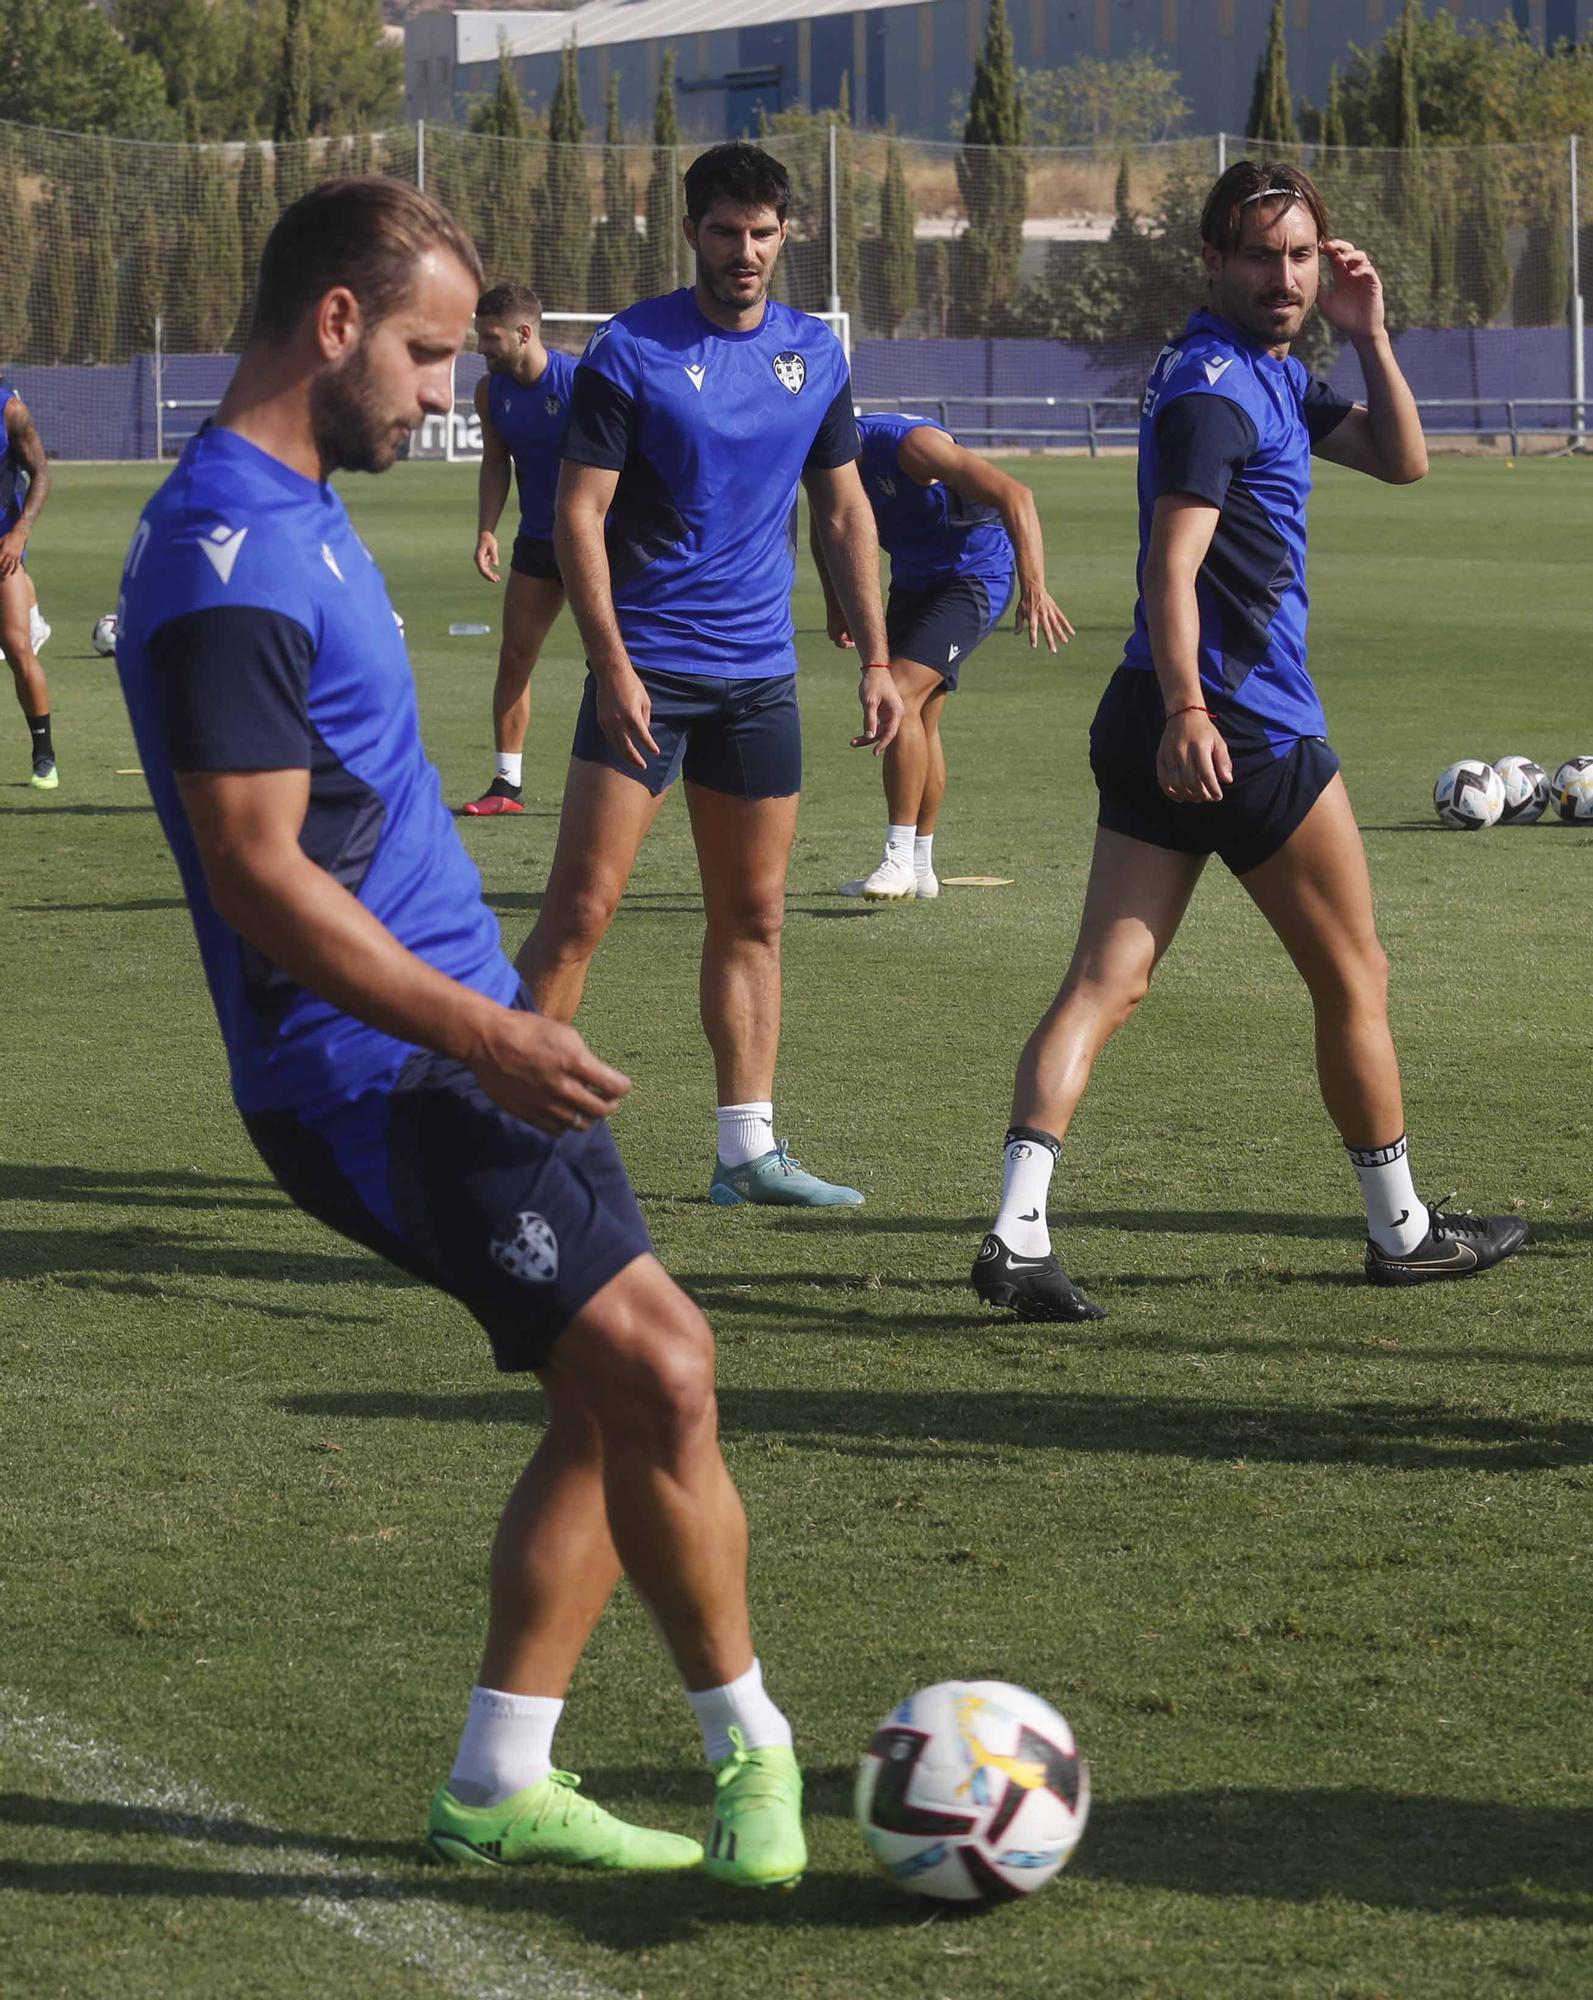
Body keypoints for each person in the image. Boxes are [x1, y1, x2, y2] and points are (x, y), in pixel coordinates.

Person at [114, 178, 806, 1889]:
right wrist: (483, 1041)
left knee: (601, 1403)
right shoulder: (227, 557)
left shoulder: (288, 506)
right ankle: (758, 1754)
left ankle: (500, 1774)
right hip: (380, 1076)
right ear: (336, 323)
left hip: (463, 1038)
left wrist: (499, 1021)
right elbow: (261, 878)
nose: (447, 394)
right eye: (427, 354)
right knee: (662, 1370)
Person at [971, 159, 1528, 1320]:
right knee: (1354, 975)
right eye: (1263, 256)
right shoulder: (1219, 393)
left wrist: (1371, 334)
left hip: (1161, 718)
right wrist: (1190, 711)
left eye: (1304, 256)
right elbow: (1170, 567)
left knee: (1106, 981)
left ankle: (1016, 1230)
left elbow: (1402, 457)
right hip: (1239, 729)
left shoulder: (1266, 369)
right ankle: (1403, 1230)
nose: (1287, 277)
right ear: (1212, 262)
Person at [516, 141, 901, 1209]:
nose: (746, 251)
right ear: (692, 232)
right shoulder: (630, 349)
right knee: (583, 909)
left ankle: (747, 1152)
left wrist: (875, 653)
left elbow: (842, 507)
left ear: (786, 236)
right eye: (727, 230)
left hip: (758, 679)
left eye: (764, 232)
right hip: (648, 672)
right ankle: (493, 1135)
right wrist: (611, 664)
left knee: (755, 914)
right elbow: (577, 514)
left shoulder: (813, 355)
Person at [815, 410, 1074, 901]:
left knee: (901, 698)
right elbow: (826, 526)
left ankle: (896, 856)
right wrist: (835, 603)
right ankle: (920, 866)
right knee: (922, 721)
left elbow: (1016, 495)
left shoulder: (912, 446)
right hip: (913, 583)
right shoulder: (824, 460)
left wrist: (1034, 586)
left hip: (972, 577)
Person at [460, 284, 575, 817]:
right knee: (515, 656)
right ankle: (507, 785)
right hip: (536, 541)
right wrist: (487, 528)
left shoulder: (581, 383)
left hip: (599, 544)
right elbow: (494, 460)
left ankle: (635, 777)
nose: (480, 346)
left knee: (621, 662)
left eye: (490, 337)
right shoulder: (491, 392)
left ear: (524, 334)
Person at [0, 382, 57, 789]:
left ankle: (44, 756)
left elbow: (40, 472)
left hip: (2, 547)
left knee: (18, 648)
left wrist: (20, 532)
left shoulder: (11, 411)